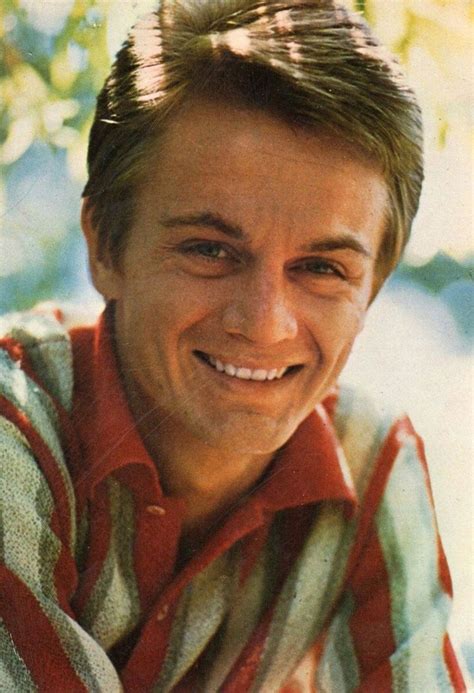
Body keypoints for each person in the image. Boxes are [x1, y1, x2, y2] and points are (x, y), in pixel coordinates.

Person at [0, 0, 466, 690]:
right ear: (104, 245)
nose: (266, 323)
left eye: (322, 268)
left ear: (373, 285)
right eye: (211, 250)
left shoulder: (369, 462)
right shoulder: (17, 436)